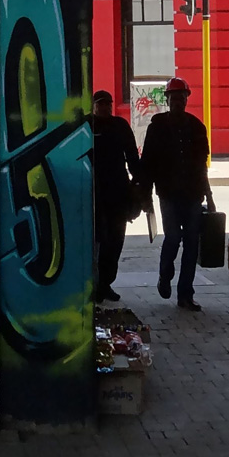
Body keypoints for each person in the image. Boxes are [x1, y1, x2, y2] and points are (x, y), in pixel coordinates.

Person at [140, 76, 215, 312]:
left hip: (193, 194)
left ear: (186, 99)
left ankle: (185, 295)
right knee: (173, 237)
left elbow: (202, 165)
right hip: (168, 194)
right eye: (173, 98)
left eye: (181, 98)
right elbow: (147, 163)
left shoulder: (197, 127)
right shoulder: (157, 128)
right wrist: (145, 195)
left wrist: (209, 196)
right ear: (167, 100)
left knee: (192, 244)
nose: (177, 102)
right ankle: (165, 274)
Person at [90, 89, 141, 303]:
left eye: (107, 104)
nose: (104, 107)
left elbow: (132, 157)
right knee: (96, 241)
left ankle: (106, 283)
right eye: (100, 104)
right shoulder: (87, 126)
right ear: (93, 106)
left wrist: (139, 185)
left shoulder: (120, 126)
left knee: (116, 240)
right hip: (92, 193)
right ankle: (95, 284)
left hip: (118, 192)